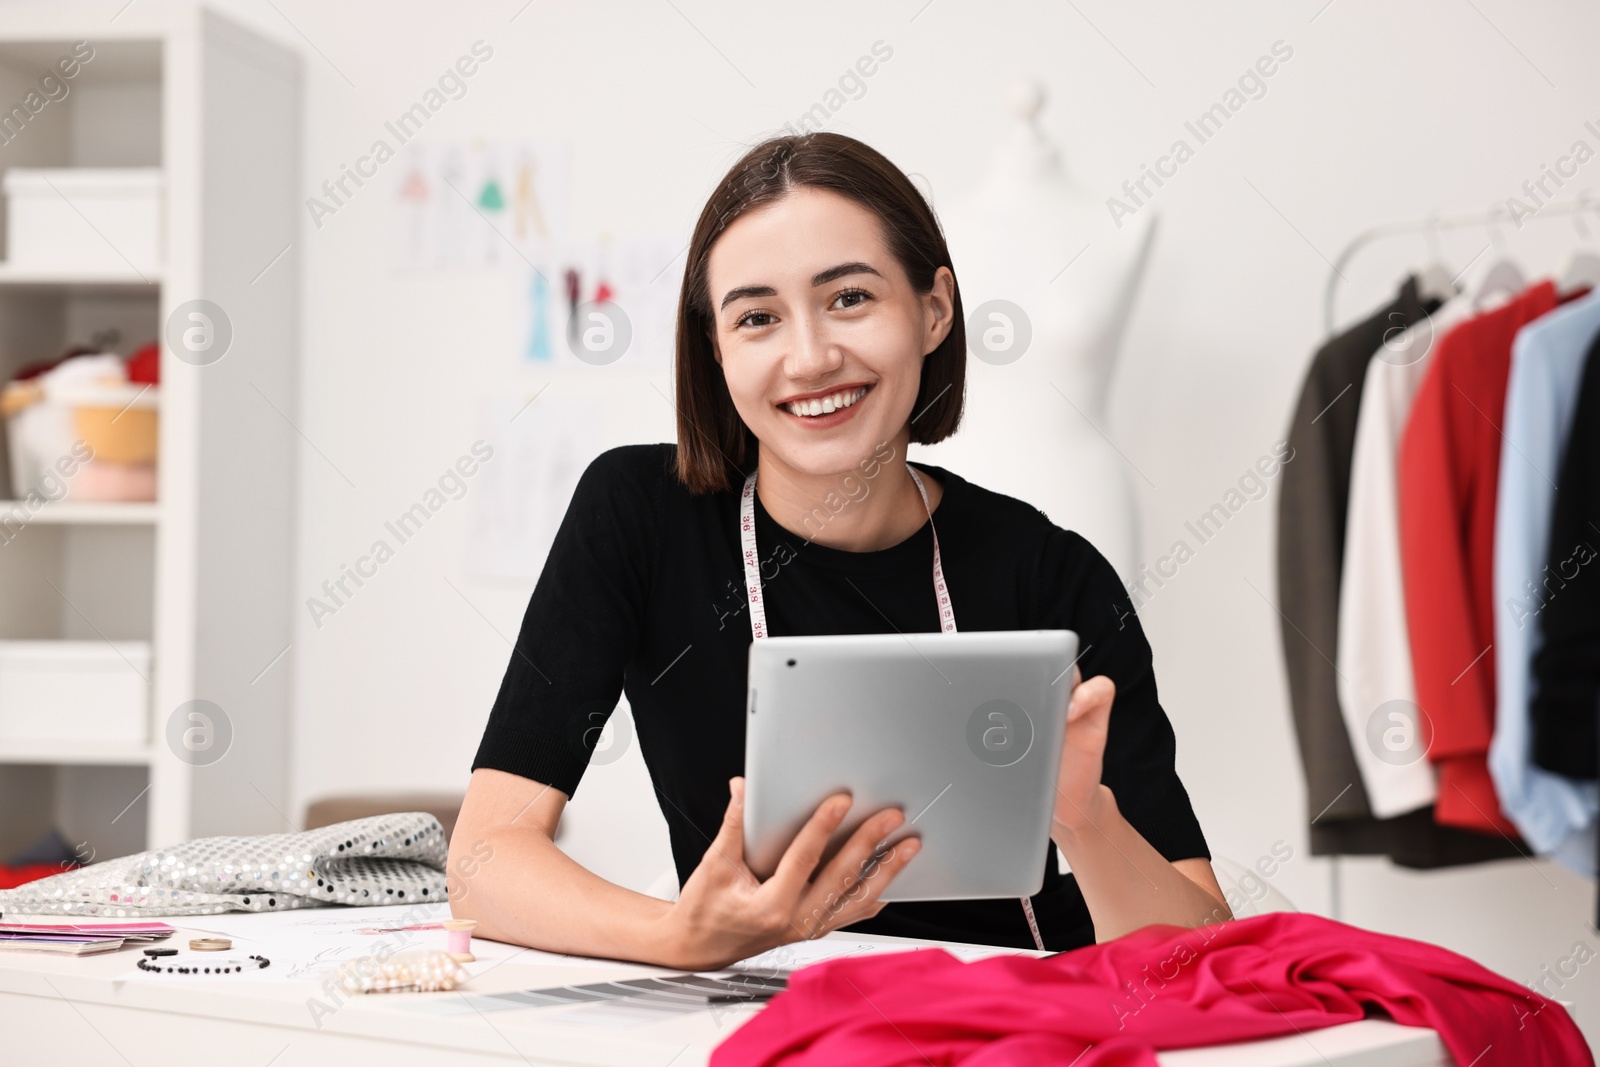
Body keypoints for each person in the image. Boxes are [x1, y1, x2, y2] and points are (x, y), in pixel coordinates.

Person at [450, 132, 1228, 971]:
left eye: (850, 298)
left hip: (1023, 1022)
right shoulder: (638, 517)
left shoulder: (1050, 572)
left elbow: (1205, 947)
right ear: (717, 348)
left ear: (934, 309)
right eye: (756, 317)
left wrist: (1085, 816)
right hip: (762, 1024)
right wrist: (676, 937)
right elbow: (482, 862)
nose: (811, 357)